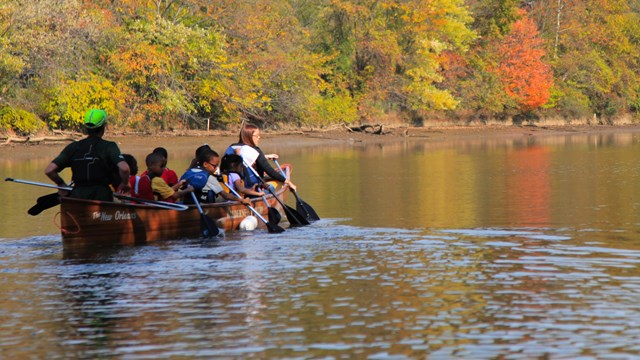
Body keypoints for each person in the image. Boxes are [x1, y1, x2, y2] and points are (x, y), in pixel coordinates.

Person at [45, 109, 130, 201]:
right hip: (102, 196)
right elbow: (124, 168)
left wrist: (61, 183)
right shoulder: (109, 146)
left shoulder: (73, 147)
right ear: (103, 127)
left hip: (77, 196)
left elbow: (49, 170)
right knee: (125, 203)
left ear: (86, 128)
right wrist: (125, 183)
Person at [225, 123, 296, 191]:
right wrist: (288, 182)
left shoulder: (232, 147)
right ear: (249, 137)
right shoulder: (255, 151)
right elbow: (270, 171)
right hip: (251, 187)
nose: (259, 137)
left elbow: (242, 159)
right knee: (271, 187)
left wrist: (264, 157)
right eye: (256, 136)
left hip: (231, 185)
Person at [181, 149, 250, 205]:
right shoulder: (209, 178)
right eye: (214, 166)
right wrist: (241, 200)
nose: (216, 168)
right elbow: (226, 195)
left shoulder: (188, 172)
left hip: (187, 204)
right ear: (205, 164)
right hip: (203, 208)